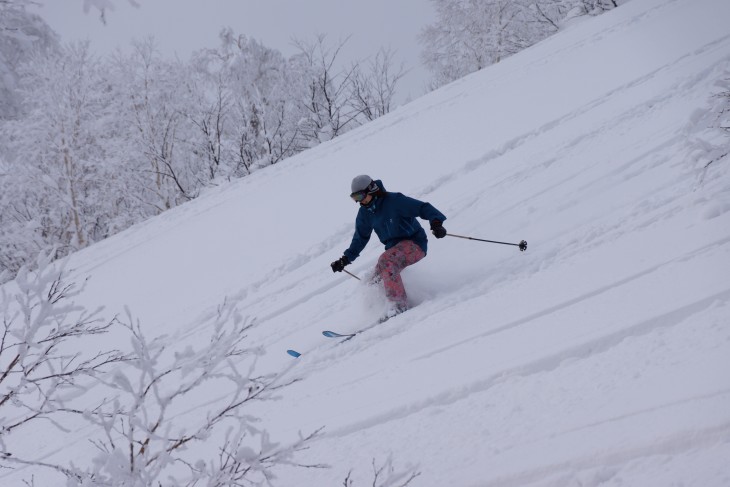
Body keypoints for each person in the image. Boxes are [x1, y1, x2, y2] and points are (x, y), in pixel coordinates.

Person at [330, 175, 447, 318]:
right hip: (393, 250)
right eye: (355, 198)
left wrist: (436, 223)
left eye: (360, 195)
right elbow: (360, 238)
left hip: (415, 244)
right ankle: (377, 311)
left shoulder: (394, 201)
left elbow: (422, 208)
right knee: (373, 281)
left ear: (371, 190)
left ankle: (398, 306)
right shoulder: (365, 213)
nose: (359, 201)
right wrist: (345, 259)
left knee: (387, 261)